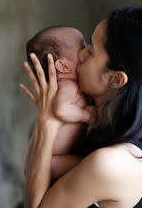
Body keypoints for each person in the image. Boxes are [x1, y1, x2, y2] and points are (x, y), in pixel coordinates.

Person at [20, 6, 142, 208]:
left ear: (116, 79)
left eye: (90, 50)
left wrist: (47, 121)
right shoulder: (103, 126)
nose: (80, 55)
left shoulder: (111, 162)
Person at [23, 26, 96, 181]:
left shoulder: (67, 88)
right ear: (63, 66)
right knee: (90, 163)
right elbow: (62, 110)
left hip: (44, 159)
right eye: (82, 47)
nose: (87, 50)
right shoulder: (67, 86)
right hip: (50, 162)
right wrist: (87, 115)